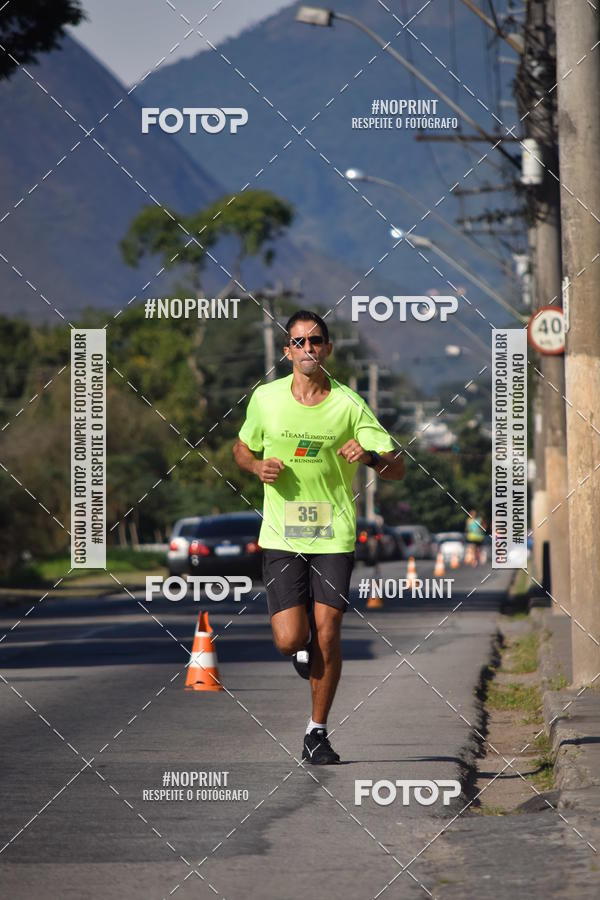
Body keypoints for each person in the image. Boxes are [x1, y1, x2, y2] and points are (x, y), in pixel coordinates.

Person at [233, 310, 405, 764]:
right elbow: (241, 446)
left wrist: (368, 457)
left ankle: (317, 732)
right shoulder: (266, 399)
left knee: (328, 631)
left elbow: (398, 467)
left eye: (315, 340)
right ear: (287, 351)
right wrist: (255, 466)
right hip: (281, 535)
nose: (307, 348)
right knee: (292, 639)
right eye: (298, 341)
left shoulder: (349, 404)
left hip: (333, 535)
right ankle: (301, 649)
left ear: (327, 348)